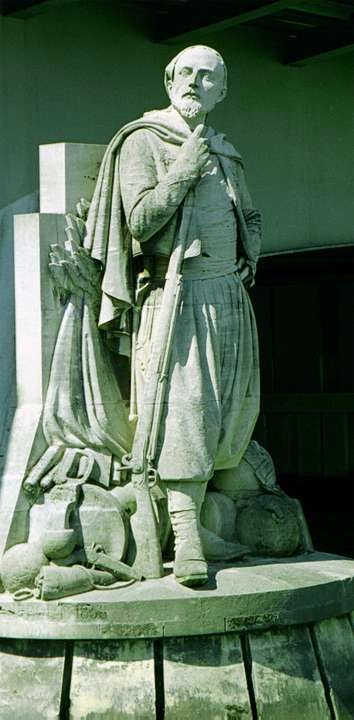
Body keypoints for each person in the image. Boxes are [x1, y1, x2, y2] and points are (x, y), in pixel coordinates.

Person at [84, 45, 261, 587]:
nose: (193, 82)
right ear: (168, 80)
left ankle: (198, 523)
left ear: (221, 91)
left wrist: (248, 249)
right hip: (177, 297)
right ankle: (184, 538)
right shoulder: (144, 140)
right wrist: (183, 171)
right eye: (185, 73)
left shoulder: (225, 152)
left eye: (207, 77)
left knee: (230, 415)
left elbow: (248, 212)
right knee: (183, 414)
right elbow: (138, 220)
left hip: (228, 296)